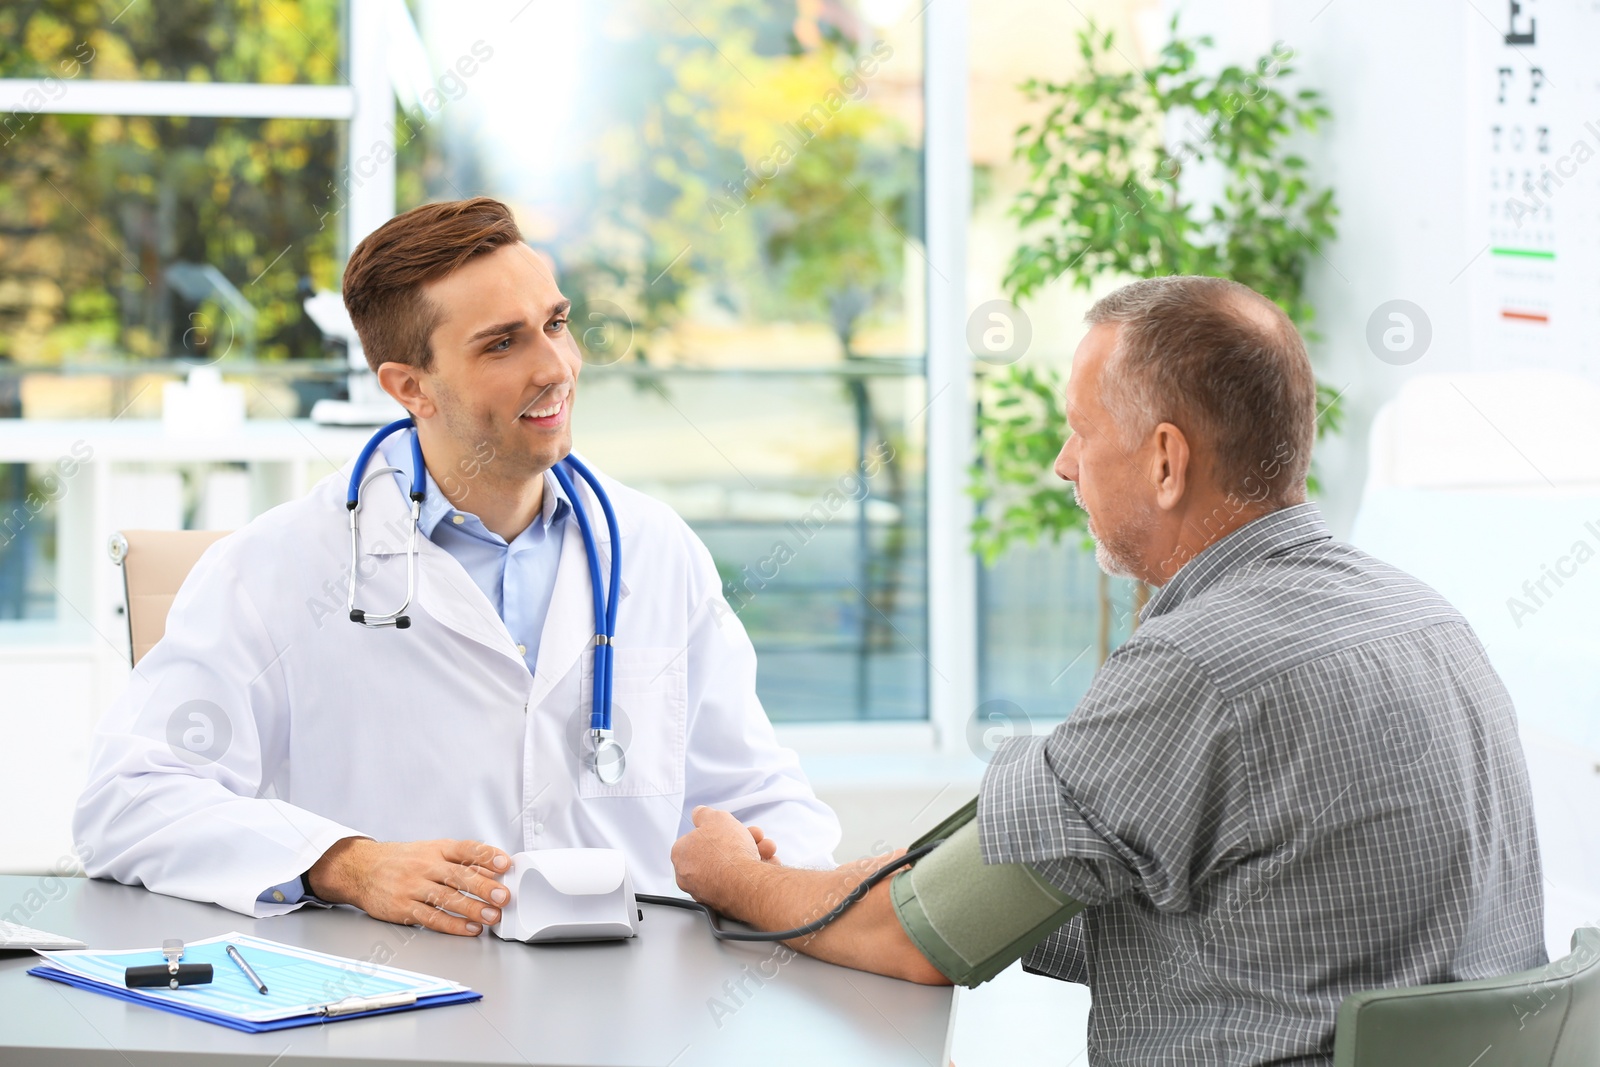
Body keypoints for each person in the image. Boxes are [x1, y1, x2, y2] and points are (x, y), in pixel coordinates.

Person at [671, 275, 1546, 1064]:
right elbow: (1216, 904)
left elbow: (924, 939)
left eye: (1081, 432)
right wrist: (903, 879)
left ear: (1166, 462)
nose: (1062, 462)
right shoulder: (1429, 618)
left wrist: (735, 877)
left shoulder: (1197, 667)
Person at [75, 197, 839, 936]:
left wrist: (763, 864)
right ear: (409, 386)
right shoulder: (273, 569)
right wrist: (346, 863)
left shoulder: (653, 550)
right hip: (398, 1007)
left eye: (557, 323)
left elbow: (763, 799)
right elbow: (128, 801)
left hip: (632, 1014)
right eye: (502, 343)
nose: (558, 366)